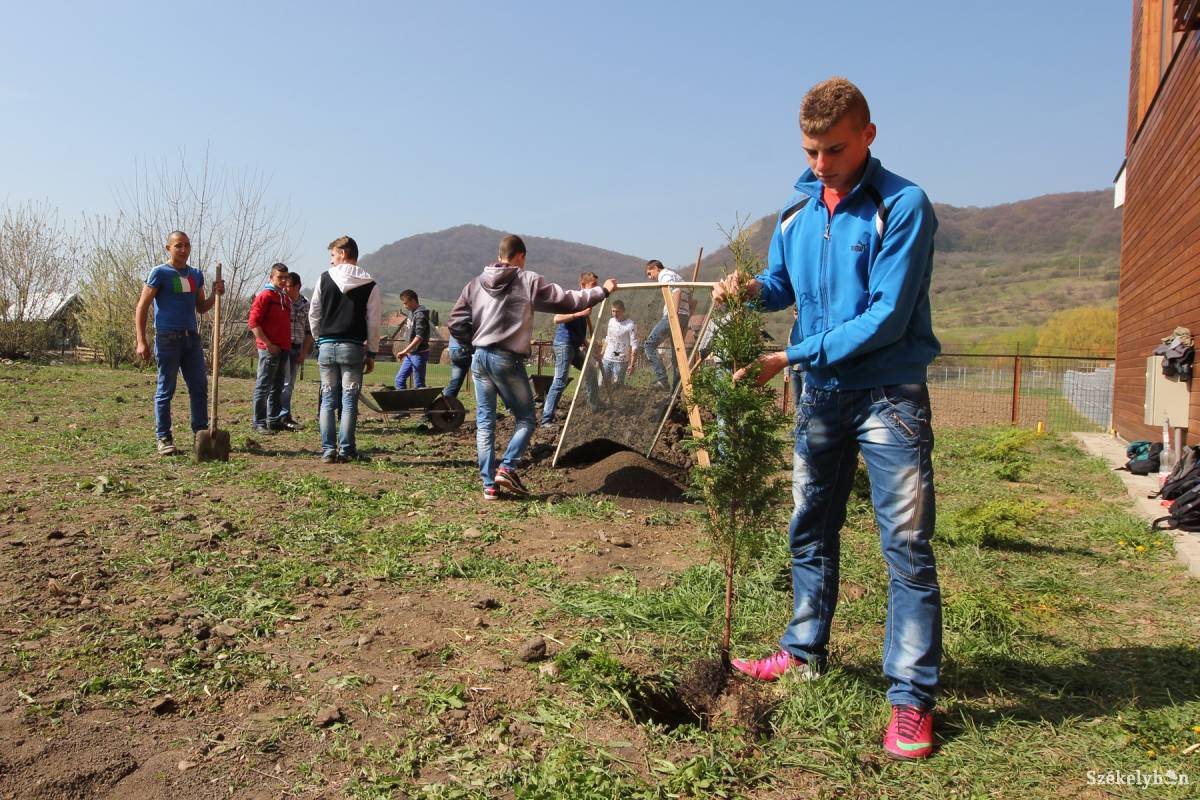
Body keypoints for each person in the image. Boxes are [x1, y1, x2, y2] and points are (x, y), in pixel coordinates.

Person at [712, 77, 942, 760]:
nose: (820, 165)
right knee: (809, 527)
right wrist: (751, 290)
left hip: (886, 394)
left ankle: (910, 700)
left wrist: (790, 355)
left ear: (868, 135)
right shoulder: (797, 210)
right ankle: (803, 651)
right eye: (811, 151)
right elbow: (784, 286)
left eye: (833, 150)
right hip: (820, 397)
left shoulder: (902, 206)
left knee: (904, 546)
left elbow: (886, 316)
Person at [449, 234, 615, 500]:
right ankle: (508, 466)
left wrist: (475, 341)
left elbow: (455, 321)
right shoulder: (527, 281)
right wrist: (602, 290)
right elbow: (569, 300)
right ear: (521, 256)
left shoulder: (475, 284)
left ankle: (489, 486)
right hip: (507, 358)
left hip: (480, 357)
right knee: (526, 418)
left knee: (485, 422)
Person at [133, 230, 225, 455]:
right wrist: (141, 341)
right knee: (166, 389)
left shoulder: (195, 275)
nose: (183, 250)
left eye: (186, 246)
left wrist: (215, 294)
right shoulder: (159, 273)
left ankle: (201, 435)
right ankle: (164, 437)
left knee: (199, 387)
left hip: (191, 339)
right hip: (167, 338)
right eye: (178, 246)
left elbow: (201, 307)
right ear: (169, 248)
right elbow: (142, 307)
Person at [308, 236, 382, 464]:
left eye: (332, 255)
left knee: (328, 400)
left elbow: (314, 313)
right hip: (352, 348)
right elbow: (373, 322)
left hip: (327, 347)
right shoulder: (370, 284)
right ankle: (346, 449)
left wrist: (319, 340)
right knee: (349, 401)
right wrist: (371, 352)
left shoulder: (323, 279)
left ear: (343, 254)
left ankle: (328, 450)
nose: (331, 261)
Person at [540, 271, 600, 425]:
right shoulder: (573, 300)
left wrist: (590, 346)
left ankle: (594, 407)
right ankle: (546, 419)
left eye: (596, 286)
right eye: (593, 285)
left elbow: (579, 334)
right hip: (563, 344)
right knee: (560, 380)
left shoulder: (587, 303)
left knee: (592, 370)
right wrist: (580, 313)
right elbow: (557, 319)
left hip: (574, 345)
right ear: (582, 285)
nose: (595, 289)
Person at [248, 263, 293, 435]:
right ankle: (258, 422)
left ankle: (273, 420)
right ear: (271, 277)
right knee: (264, 385)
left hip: (283, 348)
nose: (283, 281)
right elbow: (253, 323)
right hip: (269, 349)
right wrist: (268, 343)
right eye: (279, 277)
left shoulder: (284, 297)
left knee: (278, 385)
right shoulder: (265, 296)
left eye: (285, 277)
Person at [642, 259, 689, 389]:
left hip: (673, 316)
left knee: (649, 345)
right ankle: (676, 393)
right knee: (677, 356)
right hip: (684, 316)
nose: (649, 277)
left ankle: (662, 379)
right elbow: (691, 299)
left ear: (656, 268)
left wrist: (672, 315)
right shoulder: (677, 276)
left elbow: (677, 291)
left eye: (649, 273)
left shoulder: (664, 275)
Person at [280, 271, 314, 429]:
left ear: (298, 286)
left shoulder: (306, 305)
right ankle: (282, 416)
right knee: (284, 383)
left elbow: (309, 331)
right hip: (283, 347)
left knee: (290, 383)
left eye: (289, 286)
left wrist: (304, 351)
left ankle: (285, 415)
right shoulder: (281, 303)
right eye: (284, 286)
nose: (285, 289)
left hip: (297, 347)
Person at [393, 289, 431, 390]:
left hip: (419, 354)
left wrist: (405, 351)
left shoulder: (420, 315)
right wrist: (408, 352)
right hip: (411, 354)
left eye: (405, 303)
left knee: (419, 385)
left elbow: (419, 337)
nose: (404, 306)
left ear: (413, 300)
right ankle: (404, 404)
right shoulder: (412, 313)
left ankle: (422, 405)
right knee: (399, 380)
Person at [599, 299, 638, 388]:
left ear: (623, 311)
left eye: (617, 311)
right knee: (602, 386)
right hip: (607, 358)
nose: (615, 314)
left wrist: (632, 365)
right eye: (613, 311)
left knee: (617, 387)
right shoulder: (611, 321)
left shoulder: (630, 325)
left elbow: (634, 345)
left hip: (620, 361)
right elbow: (607, 338)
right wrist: (601, 354)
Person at [442, 334, 473, 400]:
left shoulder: (453, 323)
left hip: (453, 349)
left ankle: (446, 401)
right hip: (463, 349)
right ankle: (446, 399)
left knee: (455, 382)